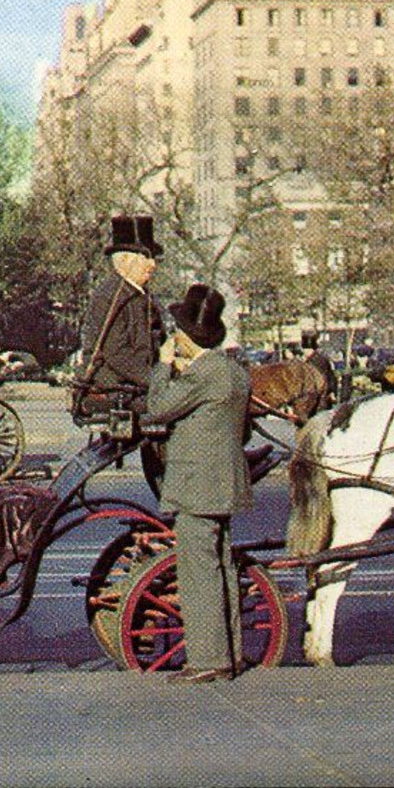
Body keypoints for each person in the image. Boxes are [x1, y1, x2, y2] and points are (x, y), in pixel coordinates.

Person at [142, 283, 252, 683]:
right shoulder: (234, 372)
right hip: (223, 485)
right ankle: (231, 654)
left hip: (197, 486)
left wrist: (162, 366)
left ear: (187, 337)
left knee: (199, 574)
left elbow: (157, 410)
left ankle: (208, 661)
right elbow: (242, 433)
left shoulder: (204, 373)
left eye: (177, 333)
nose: (174, 338)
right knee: (221, 568)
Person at [77, 214, 166, 405]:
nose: (153, 264)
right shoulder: (110, 296)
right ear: (125, 260)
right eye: (146, 257)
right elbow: (116, 354)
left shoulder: (142, 296)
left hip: (139, 384)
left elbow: (160, 343)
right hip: (117, 387)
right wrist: (157, 382)